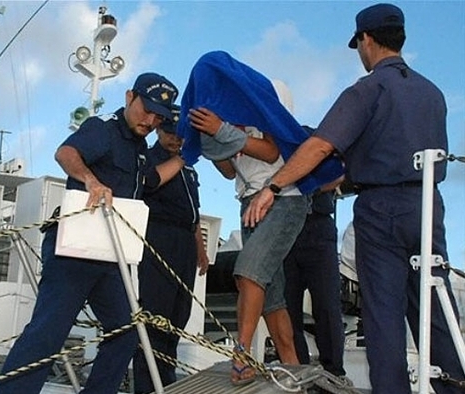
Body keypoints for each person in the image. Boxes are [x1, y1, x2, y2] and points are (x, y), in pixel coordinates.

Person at [243, 4, 464, 393]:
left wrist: (273, 186)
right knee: (435, 311)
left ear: (366, 39)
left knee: (384, 317)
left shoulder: (368, 88)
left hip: (381, 212)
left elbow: (320, 146)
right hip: (429, 205)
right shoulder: (432, 94)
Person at [0, 72, 181, 394]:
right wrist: (91, 180)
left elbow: (150, 180)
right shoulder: (103, 128)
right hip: (75, 250)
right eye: (146, 109)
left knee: (126, 333)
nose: (150, 120)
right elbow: (66, 153)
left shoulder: (139, 150)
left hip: (111, 256)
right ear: (129, 97)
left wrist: (183, 158)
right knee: (48, 331)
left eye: (158, 116)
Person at [189, 107, 308, 385]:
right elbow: (230, 171)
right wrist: (211, 141)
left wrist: (222, 130)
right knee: (272, 298)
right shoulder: (229, 121)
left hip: (282, 199)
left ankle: (241, 353)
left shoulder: (263, 104)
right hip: (248, 204)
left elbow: (270, 152)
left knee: (248, 270)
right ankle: (294, 367)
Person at [133, 107, 209, 394]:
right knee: (155, 316)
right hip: (159, 238)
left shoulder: (188, 167)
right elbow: (147, 187)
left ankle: (166, 382)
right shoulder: (150, 160)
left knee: (178, 315)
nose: (176, 139)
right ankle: (147, 386)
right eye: (171, 133)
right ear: (159, 130)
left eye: (181, 135)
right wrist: (179, 159)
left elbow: (194, 213)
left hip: (185, 244)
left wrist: (200, 250)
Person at [283, 187, 346, 378]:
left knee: (328, 305)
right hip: (282, 227)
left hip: (320, 224)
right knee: (286, 308)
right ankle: (296, 373)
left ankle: (334, 374)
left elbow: (339, 173)